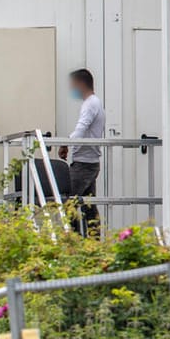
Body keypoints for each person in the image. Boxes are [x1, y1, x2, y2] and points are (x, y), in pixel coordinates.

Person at [58, 68, 104, 232]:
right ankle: (94, 242)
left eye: (72, 85)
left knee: (67, 202)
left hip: (84, 164)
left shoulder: (90, 104)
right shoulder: (94, 102)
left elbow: (80, 130)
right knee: (88, 206)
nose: (71, 89)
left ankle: (75, 239)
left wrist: (66, 143)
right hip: (89, 161)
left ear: (80, 84)